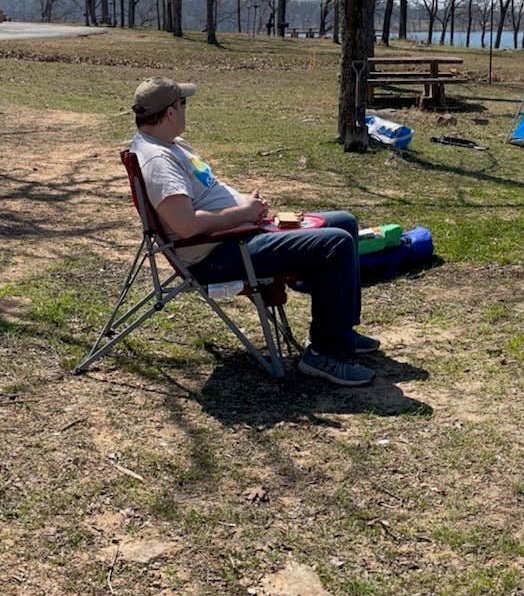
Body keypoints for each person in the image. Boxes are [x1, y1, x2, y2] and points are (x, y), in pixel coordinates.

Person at [126, 76, 381, 386]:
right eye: (183, 104)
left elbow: (207, 195)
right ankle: (325, 354)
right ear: (169, 113)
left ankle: (340, 331)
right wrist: (242, 214)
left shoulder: (171, 144)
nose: (185, 110)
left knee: (344, 222)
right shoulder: (158, 161)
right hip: (219, 255)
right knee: (336, 244)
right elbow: (187, 225)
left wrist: (246, 204)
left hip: (238, 236)